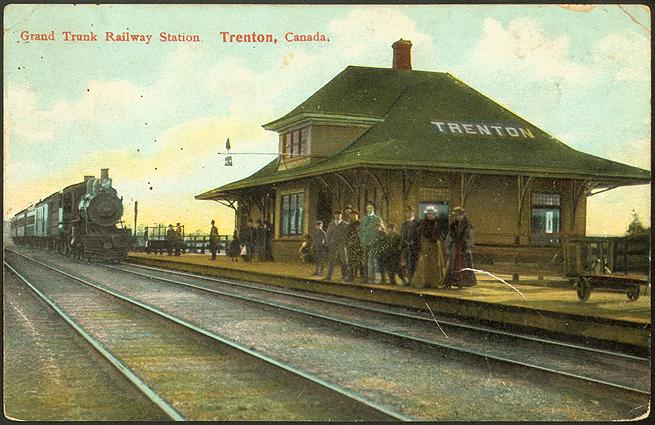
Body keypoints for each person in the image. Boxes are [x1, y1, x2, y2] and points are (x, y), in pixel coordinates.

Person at [444, 207, 477, 289]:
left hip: (464, 247)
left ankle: (463, 282)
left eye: (460, 215)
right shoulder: (453, 225)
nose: (458, 217)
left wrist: (467, 246)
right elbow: (449, 236)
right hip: (455, 247)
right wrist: (449, 245)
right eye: (457, 215)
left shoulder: (468, 225)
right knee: (452, 264)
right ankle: (450, 282)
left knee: (464, 264)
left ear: (463, 215)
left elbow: (470, 237)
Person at [415, 206, 447, 288]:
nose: (430, 215)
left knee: (436, 263)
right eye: (429, 214)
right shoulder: (423, 223)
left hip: (435, 245)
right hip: (426, 244)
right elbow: (420, 233)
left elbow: (442, 233)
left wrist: (438, 238)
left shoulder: (438, 223)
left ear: (435, 214)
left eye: (432, 214)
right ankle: (425, 282)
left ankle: (435, 282)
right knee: (425, 264)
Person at [359, 202, 384, 284]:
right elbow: (361, 230)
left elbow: (382, 229)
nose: (368, 209)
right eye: (367, 208)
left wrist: (377, 239)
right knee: (365, 260)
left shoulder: (377, 219)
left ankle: (372, 278)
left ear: (373, 209)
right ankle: (366, 278)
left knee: (372, 260)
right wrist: (362, 240)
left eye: (370, 208)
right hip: (365, 242)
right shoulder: (363, 219)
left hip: (374, 242)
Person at [324, 210, 351, 282]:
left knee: (344, 261)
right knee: (331, 261)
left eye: (339, 215)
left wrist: (344, 242)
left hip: (342, 245)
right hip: (333, 245)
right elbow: (328, 234)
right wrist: (329, 243)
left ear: (341, 216)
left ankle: (345, 277)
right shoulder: (331, 224)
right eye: (336, 214)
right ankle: (328, 277)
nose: (338, 216)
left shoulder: (346, 224)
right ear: (334, 216)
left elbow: (348, 235)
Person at [401, 207, 420, 285]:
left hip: (414, 247)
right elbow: (403, 235)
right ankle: (408, 280)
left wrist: (414, 243)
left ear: (413, 213)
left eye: (410, 212)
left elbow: (418, 236)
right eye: (407, 212)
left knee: (414, 263)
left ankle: (413, 280)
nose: (409, 214)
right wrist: (403, 244)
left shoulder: (417, 223)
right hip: (406, 246)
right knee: (406, 263)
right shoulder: (404, 224)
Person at [345, 210, 363, 281]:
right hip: (351, 245)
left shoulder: (360, 223)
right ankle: (352, 275)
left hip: (359, 245)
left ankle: (362, 275)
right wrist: (347, 242)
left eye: (355, 215)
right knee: (351, 260)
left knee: (360, 261)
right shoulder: (349, 224)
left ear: (357, 216)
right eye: (352, 215)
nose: (353, 216)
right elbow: (347, 235)